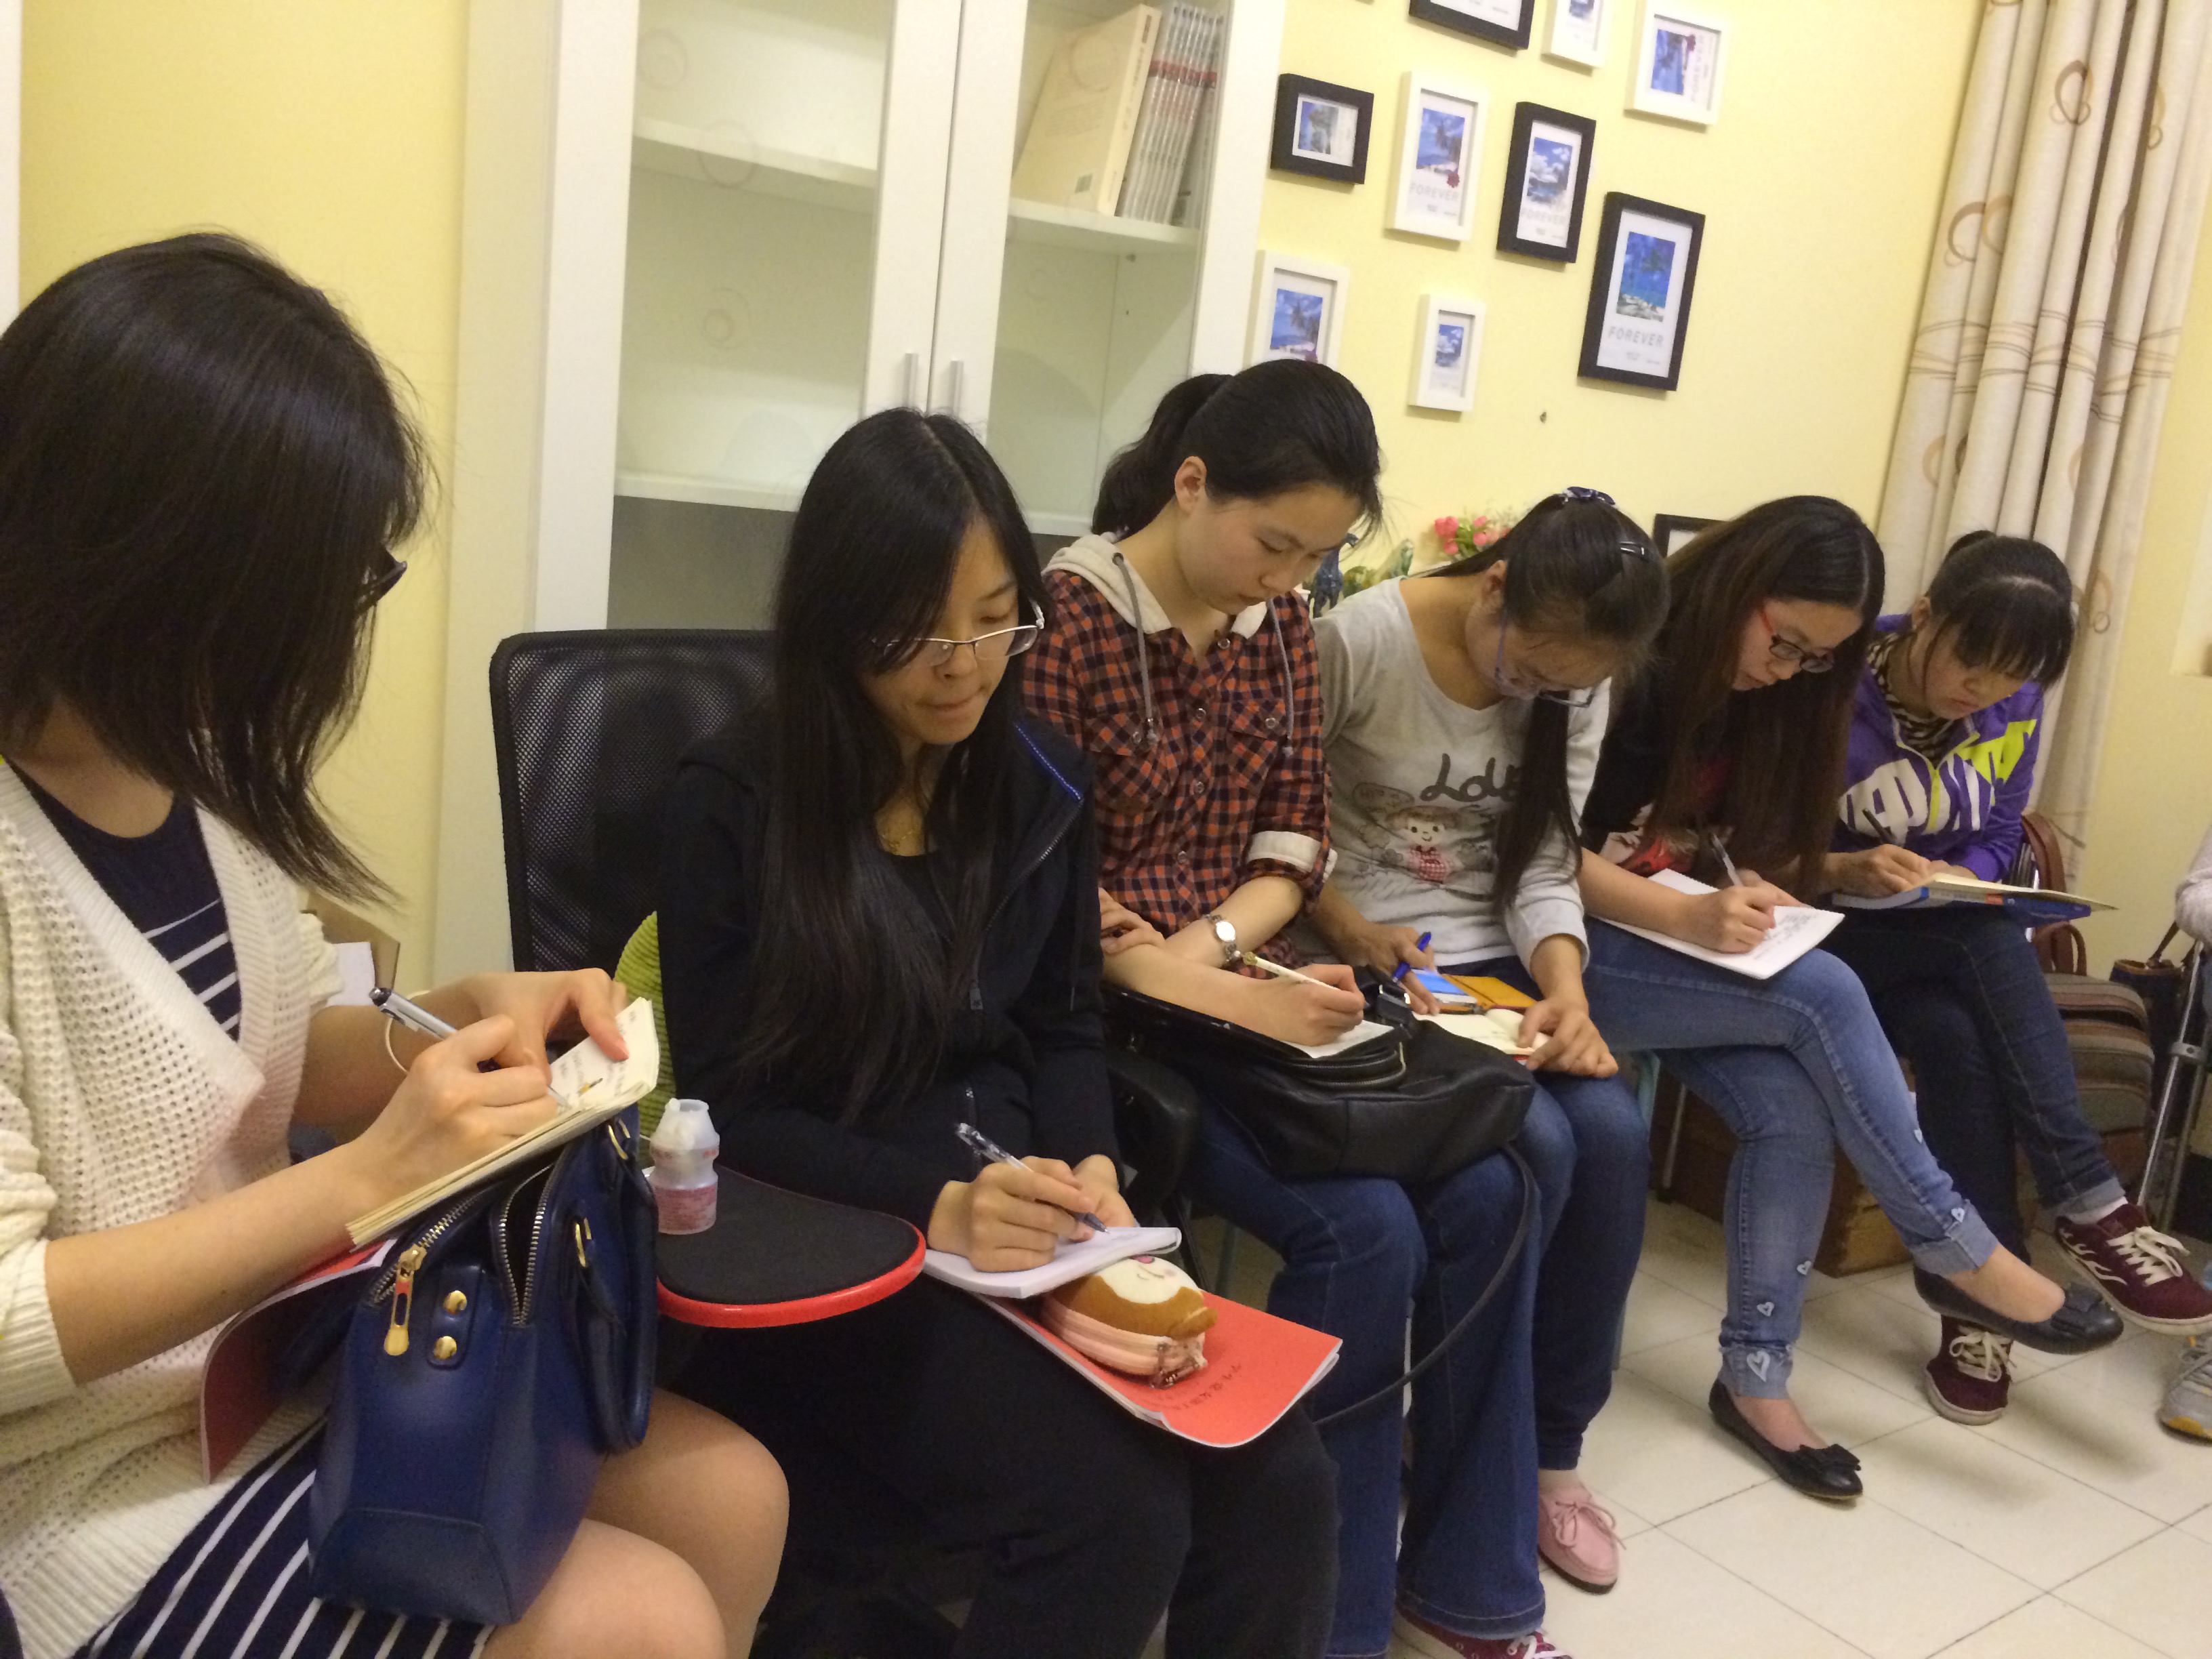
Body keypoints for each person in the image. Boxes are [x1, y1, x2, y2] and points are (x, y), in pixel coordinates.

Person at [0, 237, 786, 1659]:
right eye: (317, 585)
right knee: (644, 1618)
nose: (321, 637)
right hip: (81, 1477)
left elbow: (287, 1052)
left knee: (734, 1498)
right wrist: (366, 1181)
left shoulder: (181, 777)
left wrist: (464, 1011)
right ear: (149, 560)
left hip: (273, 1366)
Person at [657, 405, 1338, 1659]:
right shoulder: (737, 800)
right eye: (920, 631)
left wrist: (1094, 1167)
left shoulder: (1039, 781)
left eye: (994, 619)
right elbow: (729, 1111)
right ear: (835, 619)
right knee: (1113, 1514)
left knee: (1281, 1478)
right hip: (842, 1240)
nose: (964, 666)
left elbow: (1064, 1025)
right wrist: (941, 1208)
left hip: (1030, 1218)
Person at [1026, 365, 1578, 1659]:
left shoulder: (1275, 627)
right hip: (1107, 1017)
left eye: (1317, 558)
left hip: (1236, 988)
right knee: (1367, 1232)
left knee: (1494, 1190)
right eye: (1274, 545)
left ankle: (1467, 1587)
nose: (1289, 580)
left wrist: (1234, 959)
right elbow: (1041, 888)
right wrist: (1198, 981)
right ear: (1191, 483)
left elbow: (1295, 840)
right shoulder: (1071, 623)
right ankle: (1325, 1623)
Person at [1574, 497, 2083, 1500]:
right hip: (1562, 942)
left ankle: (1756, 1380)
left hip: (1661, 932)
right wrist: (1689, 913)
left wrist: (1745, 883)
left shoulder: (1771, 695)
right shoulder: (1625, 662)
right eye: (1788, 643)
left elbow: (1713, 838)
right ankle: (1956, 1244)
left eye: (1817, 659)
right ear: (1738, 589)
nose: (1792, 670)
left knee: (1794, 1110)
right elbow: (1536, 853)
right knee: (1824, 992)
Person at [1300, 489, 1667, 1606]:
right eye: (1530, 669)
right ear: (1494, 585)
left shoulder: (1578, 682)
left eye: (1563, 687)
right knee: (1538, 1143)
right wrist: (1344, 927)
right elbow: (1278, 827)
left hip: (1490, 966)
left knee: (1612, 1135)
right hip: (1366, 955)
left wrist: (1569, 993)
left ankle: (1550, 1452)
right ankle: (1467, 1438)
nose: (1535, 695)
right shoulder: (1359, 644)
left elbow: (1545, 862)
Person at [1820, 531, 2212, 1424]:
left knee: (1956, 1034)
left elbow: (2001, 829)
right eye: (1972, 660)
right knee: (1984, 939)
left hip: (1930, 939)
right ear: (1925, 617)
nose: (1986, 690)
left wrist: (1958, 876)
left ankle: (1977, 1301)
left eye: (2013, 677)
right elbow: (1758, 834)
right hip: (1825, 928)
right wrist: (1850, 866)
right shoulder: (1833, 680)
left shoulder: (2016, 703)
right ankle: (2089, 1202)